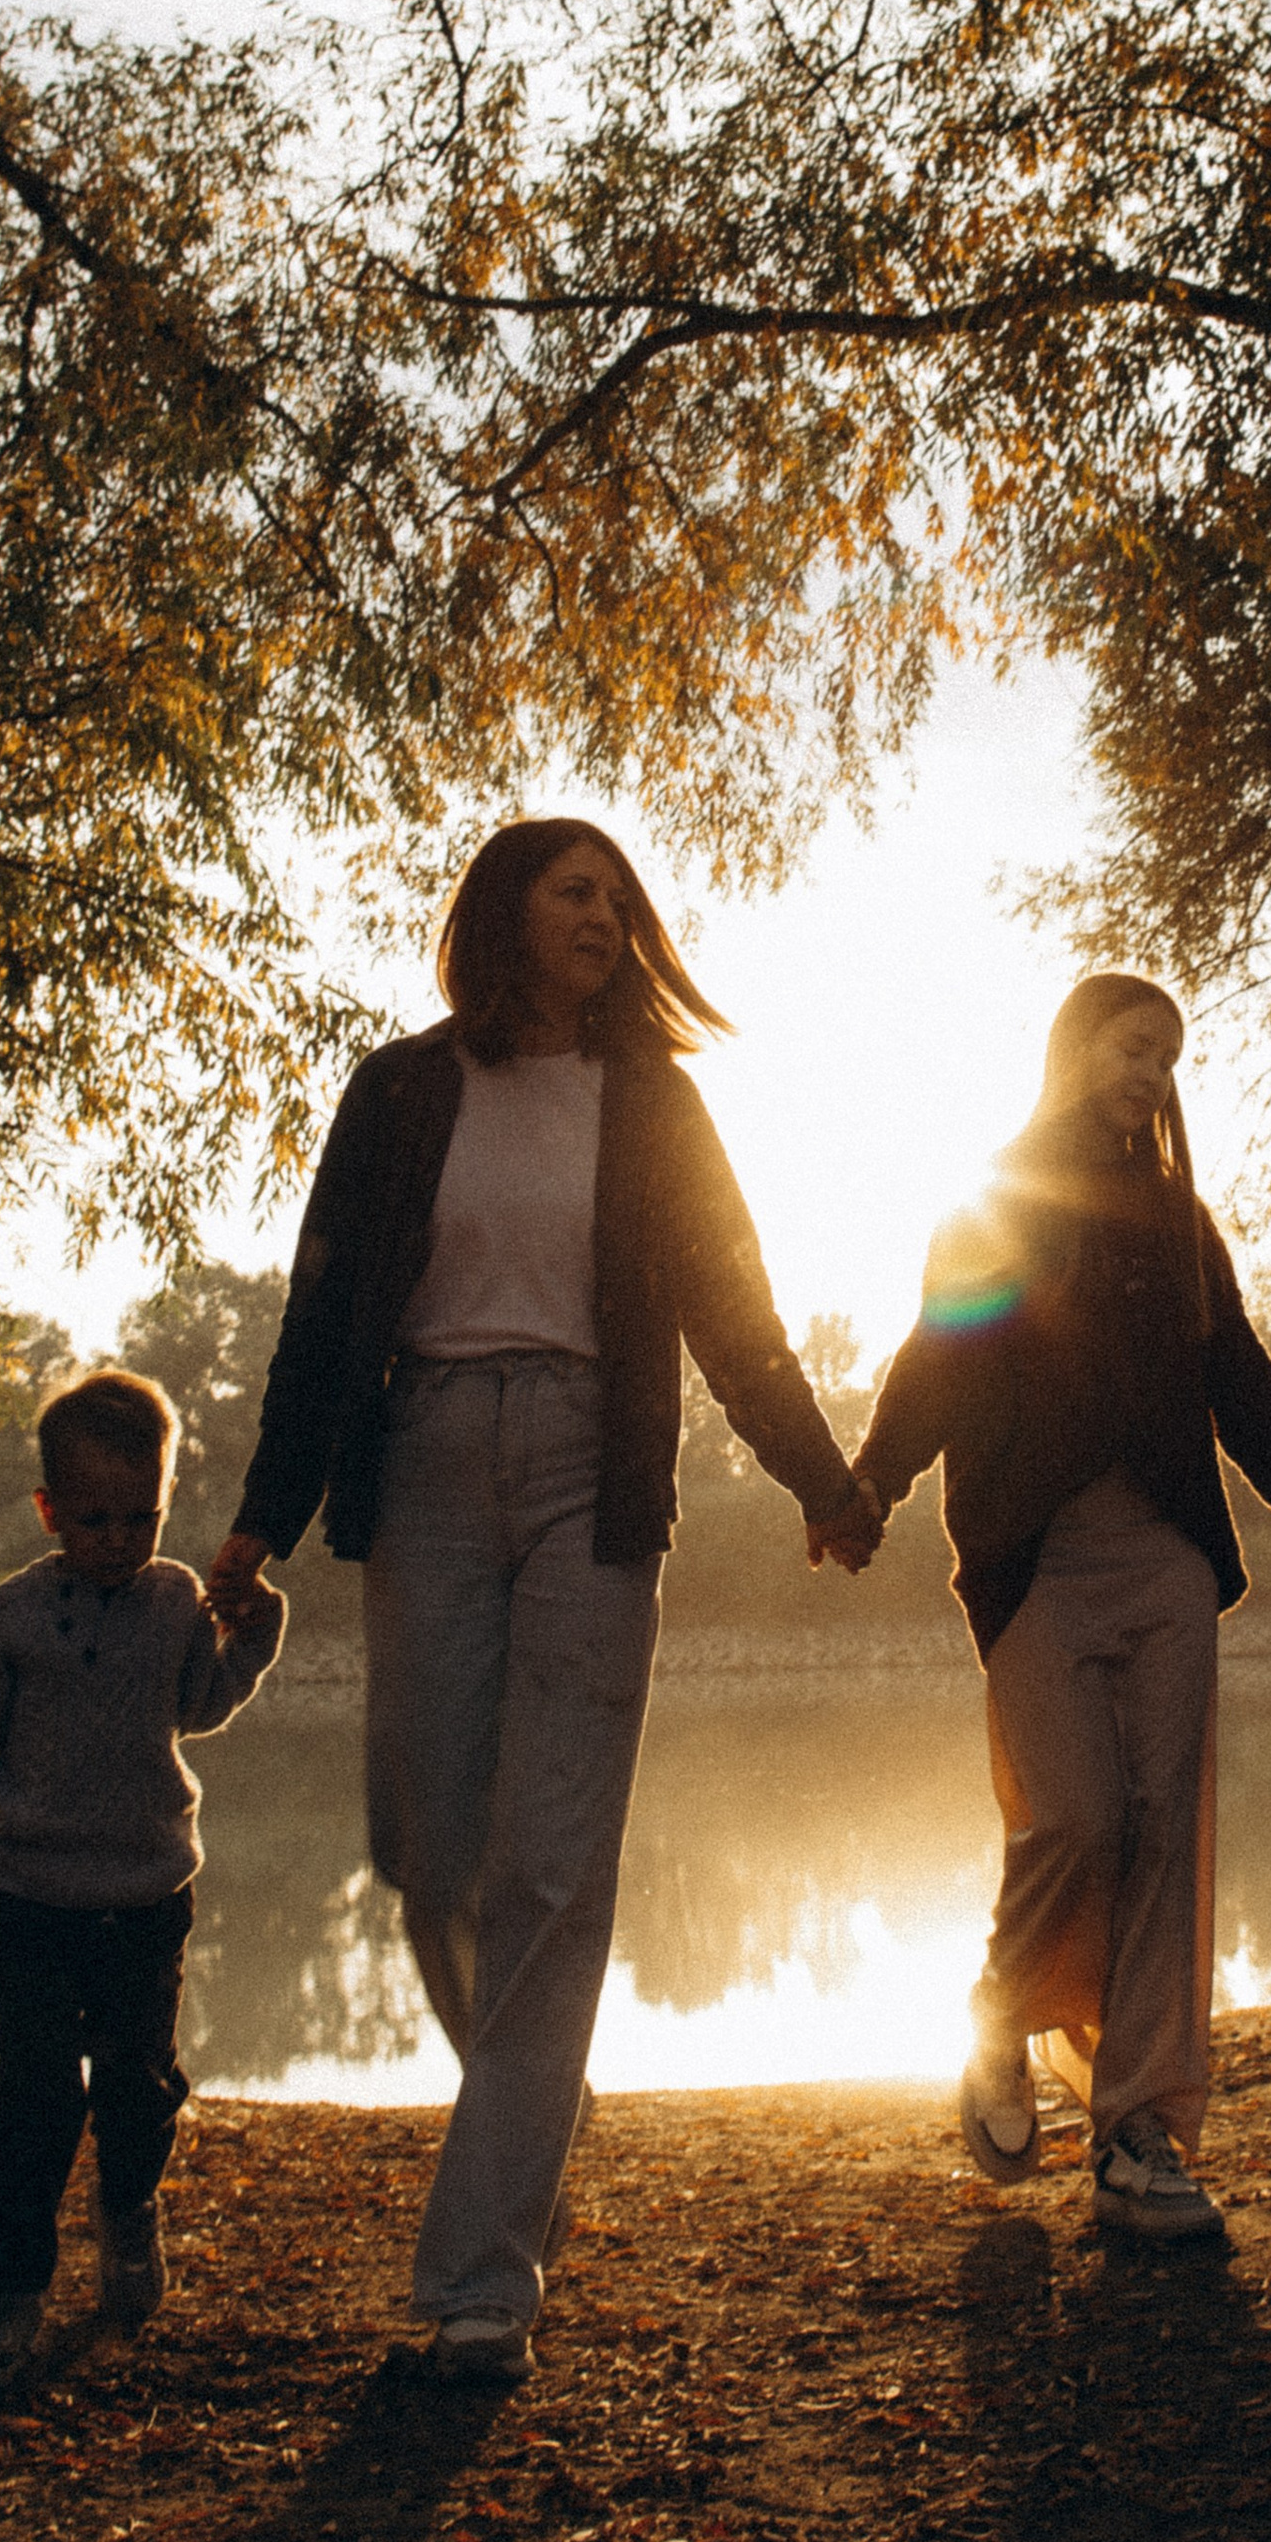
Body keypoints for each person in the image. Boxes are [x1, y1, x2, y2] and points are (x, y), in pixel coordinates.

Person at [205, 816, 879, 2378]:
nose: (604, 914)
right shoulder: (401, 1090)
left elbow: (734, 1305)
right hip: (427, 1458)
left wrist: (820, 1478)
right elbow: (319, 1316)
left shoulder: (657, 1102)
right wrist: (261, 1513)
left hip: (592, 1468)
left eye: (618, 895)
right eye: (574, 890)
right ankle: (537, 2097)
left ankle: (484, 2276)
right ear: (503, 913)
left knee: (556, 1869)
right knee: (427, 1842)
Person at [853, 972, 1271, 2249]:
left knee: (1167, 1841)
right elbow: (936, 1358)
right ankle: (1000, 2020)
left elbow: (1254, 1399)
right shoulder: (995, 1198)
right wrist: (868, 1488)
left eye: (1168, 1053)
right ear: (1074, 1050)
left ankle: (1140, 2135)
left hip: (1165, 1561)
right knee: (1075, 1818)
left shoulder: (1181, 1225)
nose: (1151, 1068)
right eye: (1132, 1044)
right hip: (1034, 1562)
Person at [0, 1366, 285, 2385]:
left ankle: (129, 2208)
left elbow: (198, 1705)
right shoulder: (14, 1619)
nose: (118, 1537)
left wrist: (254, 1639)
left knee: (137, 2085)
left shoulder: (172, 1603)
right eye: (94, 1517)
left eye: (140, 1515)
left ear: (163, 1500)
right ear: (49, 1512)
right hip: (29, 1897)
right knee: (33, 2097)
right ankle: (6, 2299)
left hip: (145, 1895)